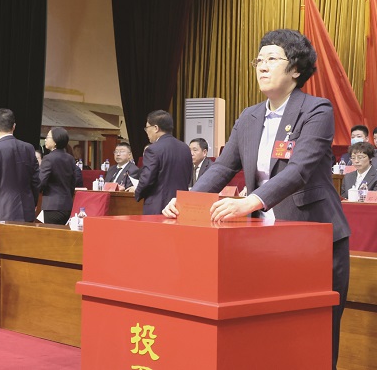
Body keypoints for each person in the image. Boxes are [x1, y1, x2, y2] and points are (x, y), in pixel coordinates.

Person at [162, 29, 350, 369]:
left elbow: (299, 171)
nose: (262, 66)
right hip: (263, 241)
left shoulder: (316, 110)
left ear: (296, 68)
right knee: (267, 329)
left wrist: (251, 201)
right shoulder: (249, 116)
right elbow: (223, 167)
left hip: (312, 238)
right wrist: (187, 200)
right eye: (259, 60)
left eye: (272, 59)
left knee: (315, 334)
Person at [0, 108, 40, 222]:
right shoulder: (29, 148)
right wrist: (33, 202)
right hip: (27, 209)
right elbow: (35, 181)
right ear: (14, 126)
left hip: (3, 210)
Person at [134, 110, 192, 214]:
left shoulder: (153, 149)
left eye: (147, 128)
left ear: (156, 128)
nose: (146, 132)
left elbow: (147, 179)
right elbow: (188, 177)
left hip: (158, 205)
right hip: (180, 205)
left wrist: (137, 193)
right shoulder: (185, 148)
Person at [39, 127, 76, 225]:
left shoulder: (48, 158)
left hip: (51, 206)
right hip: (67, 205)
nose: (45, 139)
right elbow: (73, 182)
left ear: (55, 141)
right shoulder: (70, 158)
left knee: (50, 233)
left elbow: (41, 182)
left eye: (48, 137)